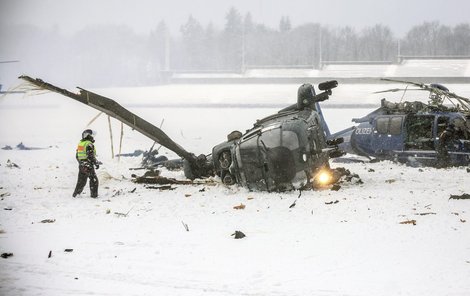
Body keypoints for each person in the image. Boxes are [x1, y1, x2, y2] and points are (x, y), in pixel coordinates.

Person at [72, 129, 100, 198]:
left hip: (82, 165)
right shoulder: (89, 144)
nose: (93, 137)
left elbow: (77, 156)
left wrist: (81, 163)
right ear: (88, 136)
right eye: (92, 136)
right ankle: (94, 196)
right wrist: (96, 163)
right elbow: (90, 156)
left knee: (81, 181)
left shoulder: (81, 144)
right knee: (94, 180)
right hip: (88, 165)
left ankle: (76, 194)